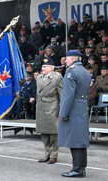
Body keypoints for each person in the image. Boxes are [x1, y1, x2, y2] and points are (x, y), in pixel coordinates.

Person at [58, 50, 91, 178]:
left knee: (74, 140)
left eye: (67, 58)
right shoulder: (85, 72)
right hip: (82, 107)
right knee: (81, 139)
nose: (65, 61)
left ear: (72, 59)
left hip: (73, 109)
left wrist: (64, 113)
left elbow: (67, 96)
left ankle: (77, 169)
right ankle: (82, 167)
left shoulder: (71, 72)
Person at [36, 58, 63, 164]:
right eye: (42, 66)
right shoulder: (39, 77)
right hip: (41, 106)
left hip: (52, 106)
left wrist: (61, 109)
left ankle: (54, 155)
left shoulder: (57, 78)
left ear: (51, 68)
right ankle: (47, 153)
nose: (43, 68)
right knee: (44, 132)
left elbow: (61, 94)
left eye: (45, 66)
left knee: (53, 133)